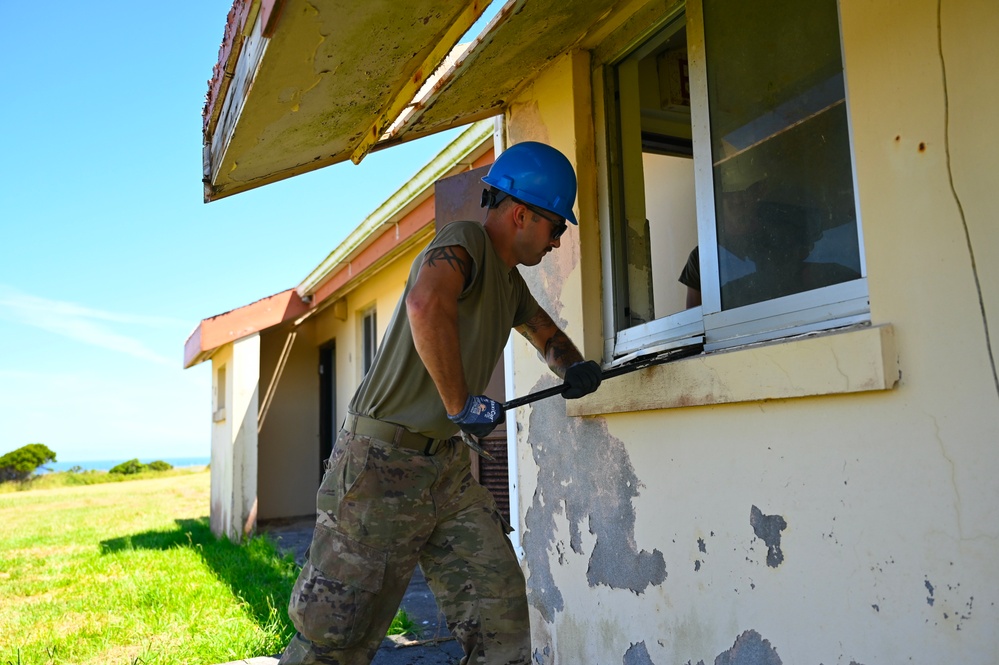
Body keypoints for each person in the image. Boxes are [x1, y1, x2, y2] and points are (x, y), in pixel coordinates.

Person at [278, 141, 603, 665]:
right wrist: (461, 405)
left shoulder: (510, 285)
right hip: (379, 467)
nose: (558, 239)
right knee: (336, 640)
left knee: (499, 618)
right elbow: (425, 301)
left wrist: (575, 367)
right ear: (521, 213)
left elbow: (546, 337)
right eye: (556, 227)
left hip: (444, 469)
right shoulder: (466, 240)